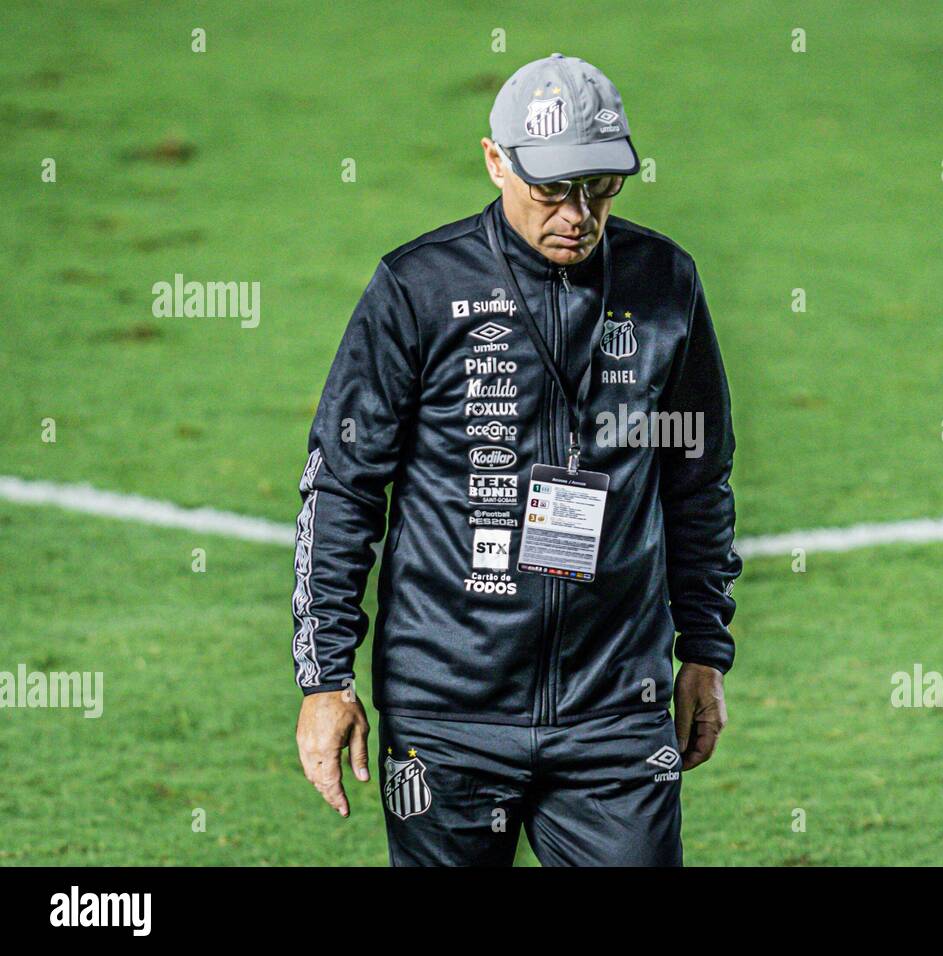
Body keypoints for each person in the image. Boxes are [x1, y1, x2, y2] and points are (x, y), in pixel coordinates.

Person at [292, 53, 741, 866]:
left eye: (601, 187)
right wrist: (326, 678)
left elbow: (697, 479)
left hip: (616, 711)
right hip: (446, 714)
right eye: (552, 188)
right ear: (495, 160)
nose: (578, 214)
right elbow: (343, 489)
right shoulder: (417, 288)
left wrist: (705, 650)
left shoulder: (664, 282)